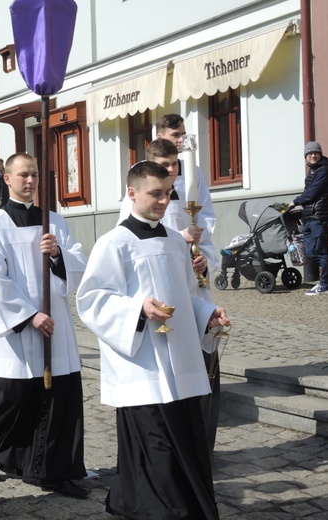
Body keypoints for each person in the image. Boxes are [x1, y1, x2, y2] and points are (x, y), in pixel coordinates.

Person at [77, 160, 230, 520]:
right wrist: (137, 309)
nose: (163, 201)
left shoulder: (176, 242)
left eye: (167, 193)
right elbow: (92, 300)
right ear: (132, 193)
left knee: (185, 444)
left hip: (179, 363)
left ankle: (151, 504)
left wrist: (206, 313)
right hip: (142, 366)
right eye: (155, 194)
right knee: (156, 451)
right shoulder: (113, 243)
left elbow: (186, 294)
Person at [0, 152, 89, 498]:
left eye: (34, 175)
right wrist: (28, 314)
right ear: (7, 178)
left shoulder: (53, 220)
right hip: (18, 327)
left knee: (56, 401)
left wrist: (57, 255)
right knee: (14, 397)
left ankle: (52, 471)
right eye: (23, 175)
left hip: (55, 325)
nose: (30, 181)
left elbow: (79, 264)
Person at [119, 137, 221, 453]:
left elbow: (207, 241)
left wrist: (205, 261)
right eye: (164, 166)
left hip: (193, 295)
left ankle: (201, 445)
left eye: (175, 165)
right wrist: (180, 239)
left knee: (204, 374)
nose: (172, 171)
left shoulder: (189, 193)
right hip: (156, 308)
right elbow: (135, 255)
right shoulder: (132, 214)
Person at [290, 141, 328, 295]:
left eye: (315, 153)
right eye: (309, 153)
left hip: (319, 216)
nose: (313, 155)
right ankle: (327, 280)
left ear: (320, 154)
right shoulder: (313, 171)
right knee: (310, 251)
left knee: (321, 251)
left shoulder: (324, 170)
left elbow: (313, 192)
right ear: (305, 157)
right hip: (309, 216)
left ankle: (326, 284)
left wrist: (295, 202)